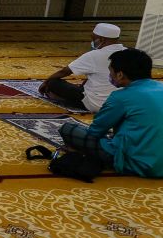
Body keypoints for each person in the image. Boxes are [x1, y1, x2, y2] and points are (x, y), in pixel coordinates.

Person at [58, 48, 163, 178]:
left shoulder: (121, 97)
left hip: (139, 164)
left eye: (111, 71)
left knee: (68, 129)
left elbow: (96, 131)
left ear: (120, 75)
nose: (110, 75)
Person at [40, 23, 124, 112]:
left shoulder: (94, 55)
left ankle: (61, 99)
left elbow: (64, 72)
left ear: (101, 39)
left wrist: (46, 82)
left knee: (53, 83)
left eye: (93, 38)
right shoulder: (128, 53)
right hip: (118, 104)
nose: (92, 42)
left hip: (95, 104)